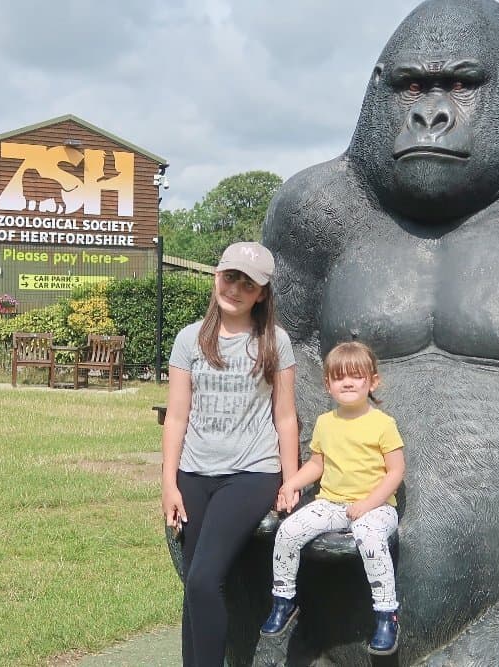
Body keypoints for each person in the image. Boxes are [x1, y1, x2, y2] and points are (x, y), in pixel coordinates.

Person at [161, 241, 300, 667]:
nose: (235, 289)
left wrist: (291, 482)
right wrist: (168, 484)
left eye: (248, 283)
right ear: (216, 278)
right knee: (194, 587)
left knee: (204, 579)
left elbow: (286, 418)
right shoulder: (190, 339)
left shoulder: (274, 341)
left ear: (262, 294)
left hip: (251, 474)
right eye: (229, 277)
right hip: (193, 474)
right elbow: (177, 417)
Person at [259, 341, 406, 655]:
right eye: (340, 378)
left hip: (376, 506)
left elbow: (395, 473)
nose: (348, 383)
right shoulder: (326, 423)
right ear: (328, 384)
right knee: (287, 531)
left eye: (356, 377)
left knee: (369, 536)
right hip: (332, 503)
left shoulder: (383, 424)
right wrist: (290, 485)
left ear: (372, 382)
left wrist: (368, 504)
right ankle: (284, 600)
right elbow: (317, 464)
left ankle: (386, 614)